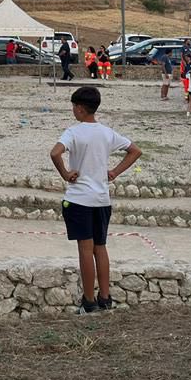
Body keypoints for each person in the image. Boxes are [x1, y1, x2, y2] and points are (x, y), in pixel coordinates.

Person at [50, 85, 141, 313]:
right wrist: (114, 172)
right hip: (102, 199)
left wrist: (65, 173)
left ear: (80, 109)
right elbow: (135, 151)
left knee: (85, 250)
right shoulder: (107, 132)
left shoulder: (73, 132)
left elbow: (55, 153)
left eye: (73, 106)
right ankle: (105, 298)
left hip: (79, 199)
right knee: (101, 248)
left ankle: (88, 301)